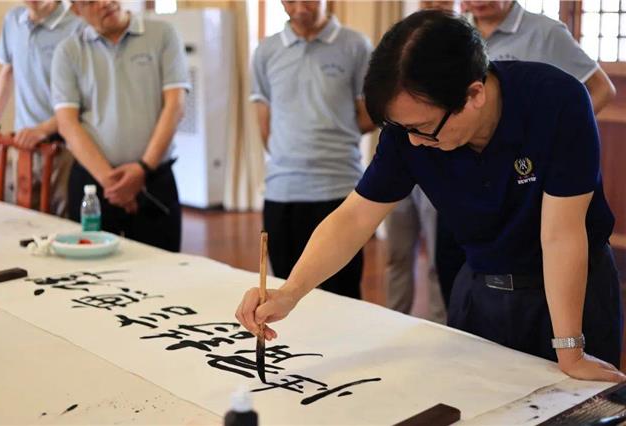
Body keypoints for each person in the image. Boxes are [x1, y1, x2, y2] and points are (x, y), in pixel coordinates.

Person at [236, 10, 625, 383]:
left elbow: (560, 235)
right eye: (402, 128)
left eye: (423, 129)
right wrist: (290, 292)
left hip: (572, 290)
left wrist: (570, 349)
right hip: (481, 287)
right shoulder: (409, 131)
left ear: (474, 95)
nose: (414, 143)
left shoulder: (557, 101)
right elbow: (355, 216)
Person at [434, 0, 617, 307]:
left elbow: (601, 89)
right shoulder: (453, 33)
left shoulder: (545, 32)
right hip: (466, 178)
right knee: (453, 262)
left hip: (523, 180)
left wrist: (557, 140)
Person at [250, 0, 375, 299]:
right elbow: (264, 120)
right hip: (282, 189)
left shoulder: (356, 45)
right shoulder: (266, 50)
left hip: (338, 187)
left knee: (341, 292)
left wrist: (329, 136)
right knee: (282, 289)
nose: (299, 6)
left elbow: (369, 114)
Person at [51, 0, 189, 251]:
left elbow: (175, 106)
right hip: (94, 186)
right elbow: (66, 123)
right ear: (75, 10)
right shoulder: (69, 51)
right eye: (90, 2)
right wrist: (114, 185)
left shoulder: (163, 34)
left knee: (165, 274)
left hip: (154, 180)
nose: (104, 3)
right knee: (93, 279)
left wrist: (142, 169)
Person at [382, 0, 456, 322]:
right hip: (402, 164)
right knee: (397, 254)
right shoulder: (401, 41)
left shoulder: (464, 43)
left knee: (440, 258)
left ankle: (441, 327)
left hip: (445, 167)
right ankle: (392, 320)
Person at [0, 1, 83, 216]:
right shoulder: (13, 20)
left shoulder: (77, 27)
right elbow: (8, 71)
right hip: (24, 145)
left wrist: (44, 129)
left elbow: (85, 97)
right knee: (24, 221)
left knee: (62, 223)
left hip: (66, 147)